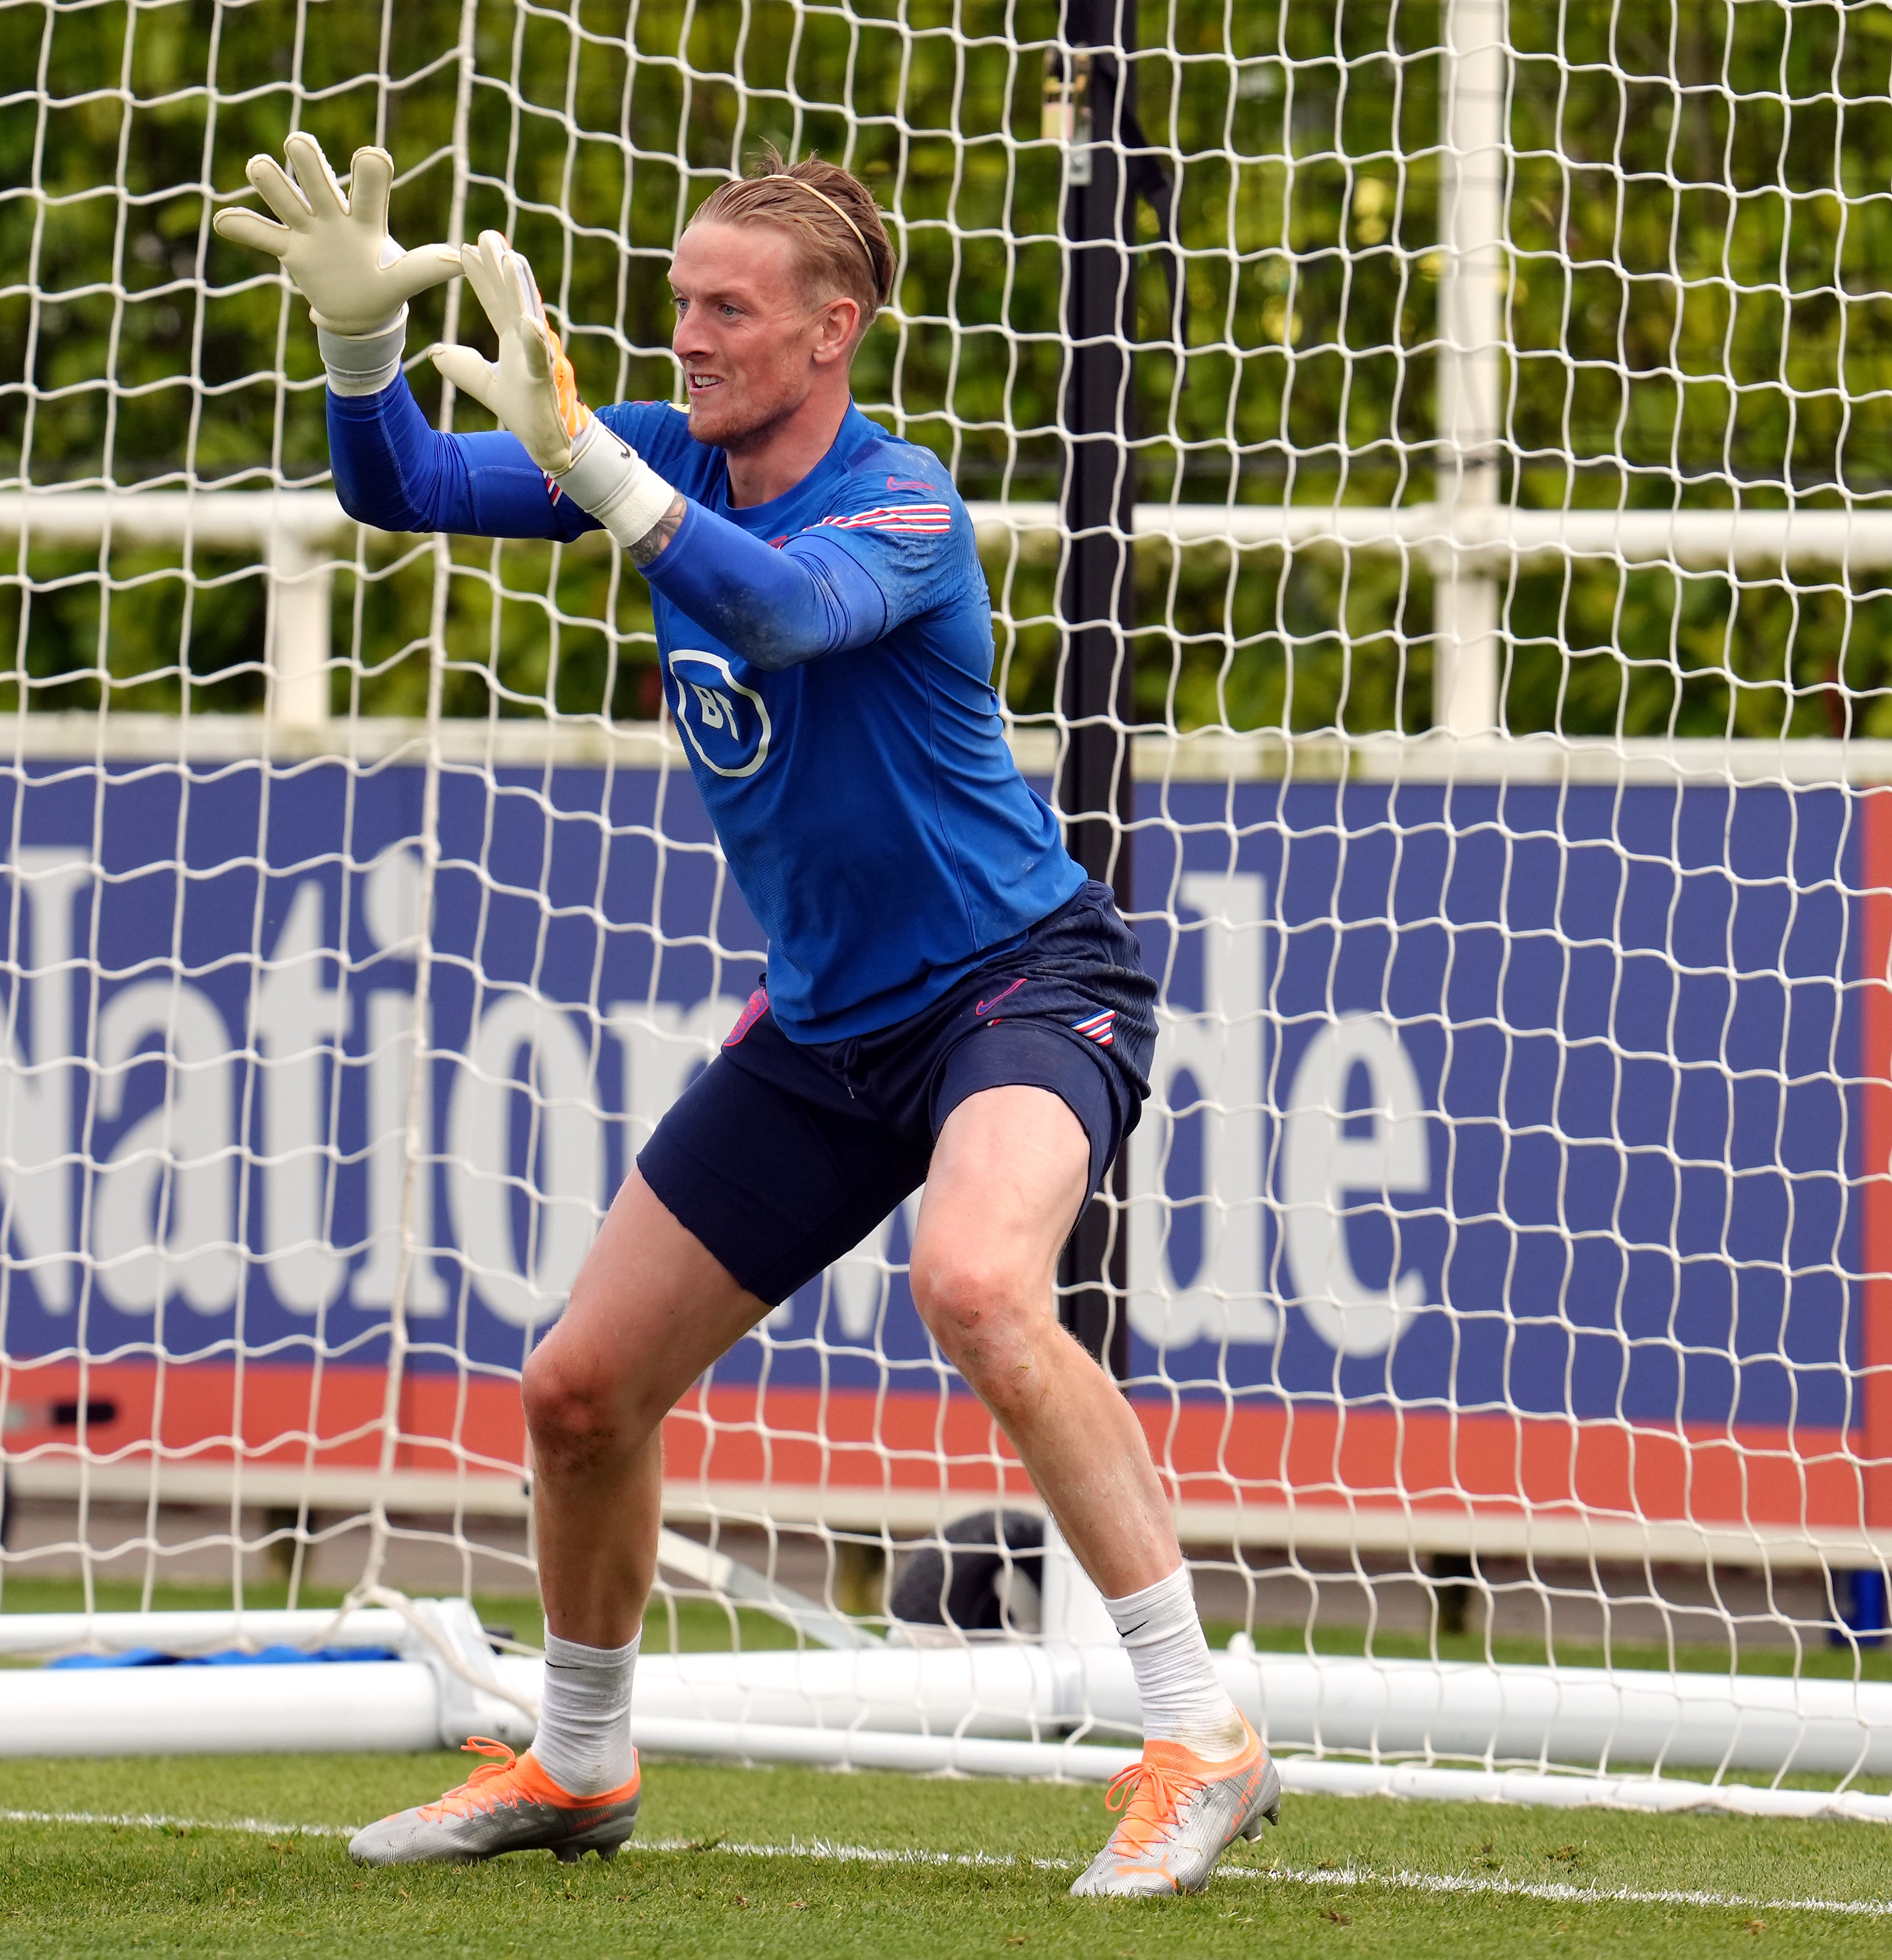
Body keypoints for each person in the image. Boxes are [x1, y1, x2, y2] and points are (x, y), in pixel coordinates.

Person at [213, 134, 1274, 1899]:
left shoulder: (903, 506)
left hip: (1017, 985)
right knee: (576, 1391)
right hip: (827, 1027)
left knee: (980, 1282)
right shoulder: (648, 449)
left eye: (727, 309)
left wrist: (597, 471)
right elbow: (395, 484)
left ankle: (1200, 1734)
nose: (689, 336)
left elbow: (781, 611)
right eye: (678, 305)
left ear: (828, 332)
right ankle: (578, 1753)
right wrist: (353, 349)